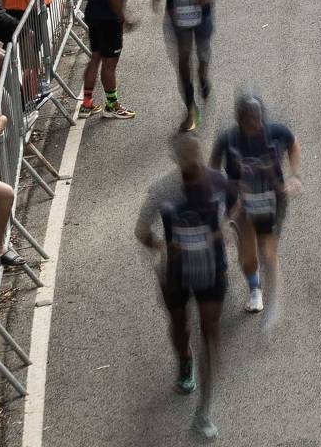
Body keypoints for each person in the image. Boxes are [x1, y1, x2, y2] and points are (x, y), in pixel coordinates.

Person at [135, 132, 232, 440]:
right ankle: (184, 361)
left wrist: (228, 228)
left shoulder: (218, 181)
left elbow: (235, 207)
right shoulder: (163, 189)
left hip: (211, 269)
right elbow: (141, 229)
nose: (195, 161)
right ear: (177, 161)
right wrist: (160, 245)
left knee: (211, 331)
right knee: (180, 328)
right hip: (174, 272)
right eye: (188, 158)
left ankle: (204, 410)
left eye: (197, 154)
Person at [208, 90, 299, 325]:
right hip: (240, 204)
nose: (256, 124)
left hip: (272, 200)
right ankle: (255, 288)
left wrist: (294, 176)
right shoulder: (227, 140)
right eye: (250, 120)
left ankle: (272, 301)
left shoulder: (276, 132)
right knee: (247, 255)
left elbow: (293, 144)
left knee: (268, 251)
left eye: (259, 118)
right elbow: (213, 170)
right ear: (240, 120)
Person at [153, 0, 225, 133]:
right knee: (183, 61)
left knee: (202, 57)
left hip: (203, 21)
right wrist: (159, 2)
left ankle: (203, 76)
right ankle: (191, 109)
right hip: (180, 25)